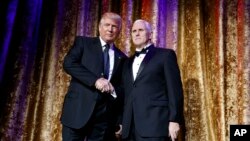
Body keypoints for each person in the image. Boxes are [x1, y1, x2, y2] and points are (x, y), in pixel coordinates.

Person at [60, 12, 127, 141]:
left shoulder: (122, 57)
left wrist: (119, 119)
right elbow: (69, 63)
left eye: (114, 26)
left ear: (119, 31)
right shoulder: (83, 43)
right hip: (77, 112)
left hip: (103, 120)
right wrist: (95, 80)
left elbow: (121, 89)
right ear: (99, 27)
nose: (110, 29)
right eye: (107, 25)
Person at [121, 19, 184, 141]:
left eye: (141, 30)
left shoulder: (165, 55)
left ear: (150, 34)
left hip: (155, 125)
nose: (137, 33)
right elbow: (126, 94)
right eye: (134, 31)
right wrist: (121, 122)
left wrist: (174, 120)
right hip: (129, 129)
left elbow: (174, 90)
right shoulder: (127, 62)